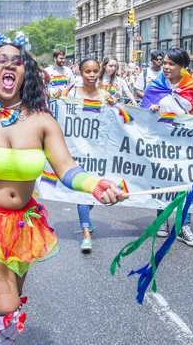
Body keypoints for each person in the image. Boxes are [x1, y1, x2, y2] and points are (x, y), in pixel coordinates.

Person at [0, 43, 126, 344]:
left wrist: (96, 186)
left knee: (9, 305)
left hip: (22, 226)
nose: (9, 66)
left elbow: (67, 168)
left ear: (25, 73)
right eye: (1, 61)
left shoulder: (42, 121)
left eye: (17, 62)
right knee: (4, 306)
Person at [141, 47, 193, 247]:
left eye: (171, 64)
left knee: (187, 183)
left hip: (184, 145)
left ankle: (184, 226)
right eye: (164, 63)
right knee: (162, 182)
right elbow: (141, 114)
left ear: (182, 66)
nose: (166, 67)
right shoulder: (155, 85)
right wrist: (151, 110)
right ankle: (162, 220)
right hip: (161, 145)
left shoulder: (190, 85)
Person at [66, 58, 116, 253]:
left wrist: (114, 105)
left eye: (95, 71)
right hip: (78, 151)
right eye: (87, 71)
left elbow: (114, 122)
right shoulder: (71, 94)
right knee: (82, 192)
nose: (92, 75)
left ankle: (87, 217)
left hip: (99, 151)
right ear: (80, 73)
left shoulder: (106, 95)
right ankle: (86, 233)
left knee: (97, 189)